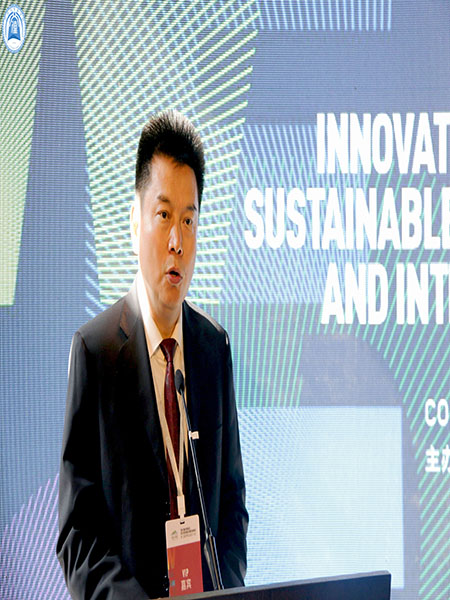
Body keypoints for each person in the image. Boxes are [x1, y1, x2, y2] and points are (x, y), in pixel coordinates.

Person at [57, 110, 248, 599]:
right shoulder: (96, 352)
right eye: (164, 216)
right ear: (134, 220)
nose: (177, 242)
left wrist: (228, 593)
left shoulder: (214, 349)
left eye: (189, 220)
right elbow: (77, 534)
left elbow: (232, 505)